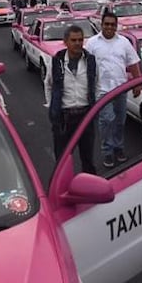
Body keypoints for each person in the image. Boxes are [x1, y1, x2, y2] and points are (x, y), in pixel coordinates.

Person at [84, 11, 141, 168]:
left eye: (112, 24)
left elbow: (133, 63)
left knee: (120, 122)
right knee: (107, 120)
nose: (109, 27)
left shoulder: (124, 42)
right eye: (106, 24)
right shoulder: (92, 43)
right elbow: (85, 67)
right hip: (101, 91)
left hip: (120, 90)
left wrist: (137, 83)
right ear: (101, 25)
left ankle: (118, 148)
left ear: (116, 26)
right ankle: (107, 151)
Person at [44, 25, 98, 174]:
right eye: (73, 40)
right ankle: (63, 188)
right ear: (66, 42)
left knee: (87, 157)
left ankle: (90, 188)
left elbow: (97, 84)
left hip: (85, 116)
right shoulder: (56, 62)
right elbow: (48, 84)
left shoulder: (91, 61)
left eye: (80, 40)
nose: (78, 43)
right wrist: (51, 107)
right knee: (62, 159)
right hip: (64, 118)